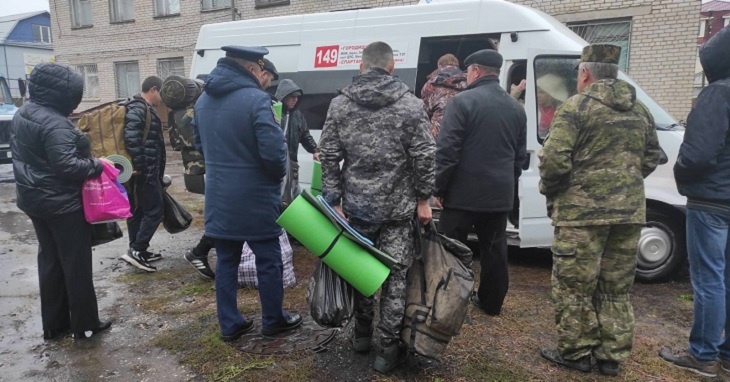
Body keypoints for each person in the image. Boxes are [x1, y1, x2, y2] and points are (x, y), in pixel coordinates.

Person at [538, 44, 660, 376]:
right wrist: (624, 185)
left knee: (574, 286)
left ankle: (577, 353)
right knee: (615, 287)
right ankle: (611, 356)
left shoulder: (576, 108)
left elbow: (552, 160)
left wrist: (555, 191)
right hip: (627, 215)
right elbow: (652, 157)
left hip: (581, 216)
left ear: (585, 73)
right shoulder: (641, 111)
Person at [319, 41, 435, 374]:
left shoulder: (339, 105)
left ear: (361, 66)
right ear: (391, 67)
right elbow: (425, 155)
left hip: (356, 209)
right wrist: (424, 199)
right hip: (398, 211)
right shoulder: (411, 105)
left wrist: (334, 200)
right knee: (396, 278)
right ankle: (387, 353)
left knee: (361, 274)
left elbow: (328, 155)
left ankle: (361, 337)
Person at [193, 45, 302, 342]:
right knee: (269, 260)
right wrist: (273, 180)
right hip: (255, 199)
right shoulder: (257, 101)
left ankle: (230, 324)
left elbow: (199, 146)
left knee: (226, 260)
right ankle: (273, 320)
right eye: (262, 71)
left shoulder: (202, 101)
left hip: (219, 197)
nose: (264, 78)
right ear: (253, 69)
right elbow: (274, 157)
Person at [10, 62, 112, 340]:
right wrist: (97, 164)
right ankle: (86, 325)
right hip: (63, 205)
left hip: (34, 201)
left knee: (50, 261)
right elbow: (68, 166)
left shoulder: (24, 113)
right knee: (76, 264)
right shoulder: (55, 123)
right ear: (64, 93)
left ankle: (54, 326)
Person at [659, 27, 730, 378]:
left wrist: (682, 175)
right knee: (726, 278)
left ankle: (703, 354)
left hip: (711, 200)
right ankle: (727, 352)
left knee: (708, 280)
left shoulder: (717, 94)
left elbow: (698, 153)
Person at [434, 49, 527, 317]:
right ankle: (491, 302)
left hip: (462, 195)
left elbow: (447, 151)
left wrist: (438, 189)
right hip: (498, 196)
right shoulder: (515, 108)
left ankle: (450, 301)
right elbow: (518, 158)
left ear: (474, 71)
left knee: (452, 249)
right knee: (495, 251)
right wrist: (507, 185)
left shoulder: (462, 102)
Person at [161, 76, 217, 280]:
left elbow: (177, 143)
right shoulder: (197, 111)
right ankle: (199, 252)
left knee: (218, 212)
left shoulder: (178, 112)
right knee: (220, 213)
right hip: (205, 167)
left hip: (193, 167)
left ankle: (202, 251)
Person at [120, 76, 166, 273]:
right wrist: (143, 167)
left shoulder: (143, 108)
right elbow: (132, 139)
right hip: (144, 171)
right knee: (155, 211)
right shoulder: (139, 108)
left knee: (138, 210)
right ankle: (137, 250)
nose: (161, 99)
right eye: (161, 93)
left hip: (143, 170)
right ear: (154, 89)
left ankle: (137, 249)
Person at [275, 78, 320, 197]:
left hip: (292, 163)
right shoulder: (274, 112)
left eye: (297, 97)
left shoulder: (298, 115)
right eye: (292, 96)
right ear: (283, 96)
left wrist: (315, 150)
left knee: (293, 194)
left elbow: (305, 135)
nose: (295, 99)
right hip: (277, 162)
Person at [420, 54, 467, 139]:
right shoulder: (469, 82)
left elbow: (424, 112)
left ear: (439, 65)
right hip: (463, 131)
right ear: (457, 65)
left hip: (439, 133)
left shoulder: (431, 84)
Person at [536, 73, 569, 139]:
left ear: (550, 95)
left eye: (542, 92)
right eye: (537, 92)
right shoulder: (531, 108)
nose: (538, 95)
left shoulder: (562, 109)